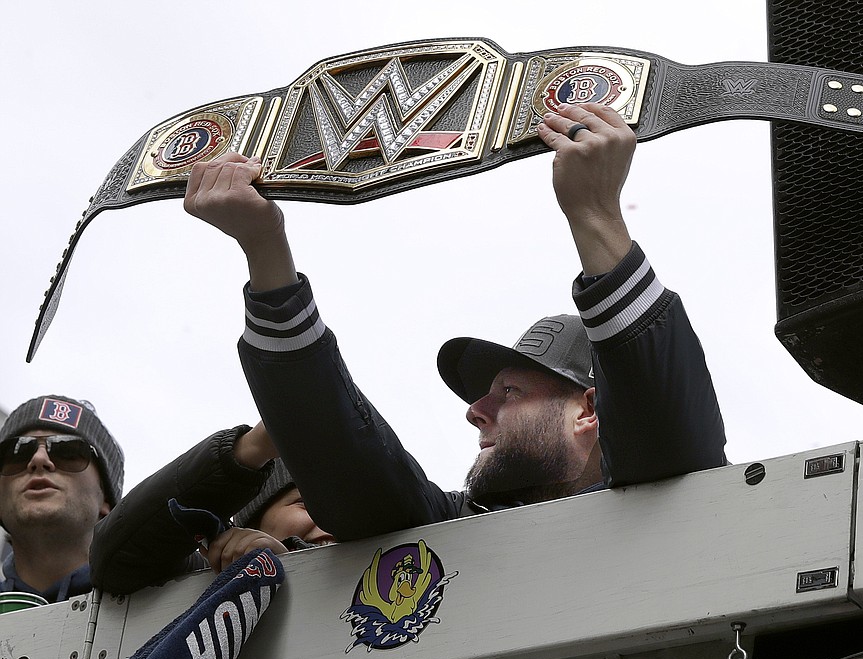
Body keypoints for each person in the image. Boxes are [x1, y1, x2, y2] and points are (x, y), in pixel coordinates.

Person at [182, 101, 728, 541]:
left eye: (509, 392)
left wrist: (596, 213)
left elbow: (664, 421)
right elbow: (341, 453)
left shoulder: (681, 500)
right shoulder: (445, 533)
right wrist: (263, 247)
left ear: (588, 409)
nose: (474, 411)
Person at [90, 422, 334, 595]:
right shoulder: (210, 575)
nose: (333, 519)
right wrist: (253, 448)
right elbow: (118, 562)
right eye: (306, 504)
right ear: (252, 522)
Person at [0, 395, 124, 602]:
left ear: (106, 500)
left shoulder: (163, 611)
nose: (39, 459)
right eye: (17, 452)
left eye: (68, 451)